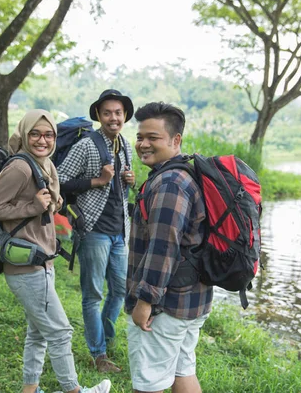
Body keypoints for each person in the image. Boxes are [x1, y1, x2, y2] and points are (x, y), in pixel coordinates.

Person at [0, 109, 111, 393]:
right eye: (35, 134)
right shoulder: (20, 167)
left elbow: (42, 205)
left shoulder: (45, 165)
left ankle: (30, 389)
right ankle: (73, 390)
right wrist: (33, 207)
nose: (42, 140)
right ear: (25, 135)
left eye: (49, 134)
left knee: (38, 333)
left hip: (41, 261)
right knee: (61, 332)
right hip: (25, 266)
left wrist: (54, 202)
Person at [125, 102, 213, 393]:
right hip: (189, 299)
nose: (143, 144)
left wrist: (145, 301)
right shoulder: (181, 175)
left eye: (153, 137)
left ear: (176, 140)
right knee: (182, 371)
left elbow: (164, 247)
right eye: (140, 137)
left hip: (166, 306)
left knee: (148, 384)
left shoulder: (170, 183)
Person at [57, 89, 136, 373]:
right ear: (99, 116)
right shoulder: (87, 145)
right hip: (93, 230)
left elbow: (120, 189)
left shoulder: (125, 144)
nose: (113, 118)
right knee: (92, 295)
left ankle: (105, 337)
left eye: (118, 112)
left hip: (120, 231)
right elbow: (61, 181)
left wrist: (130, 179)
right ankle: (98, 354)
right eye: (107, 113)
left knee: (120, 290)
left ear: (124, 115)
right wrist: (97, 180)